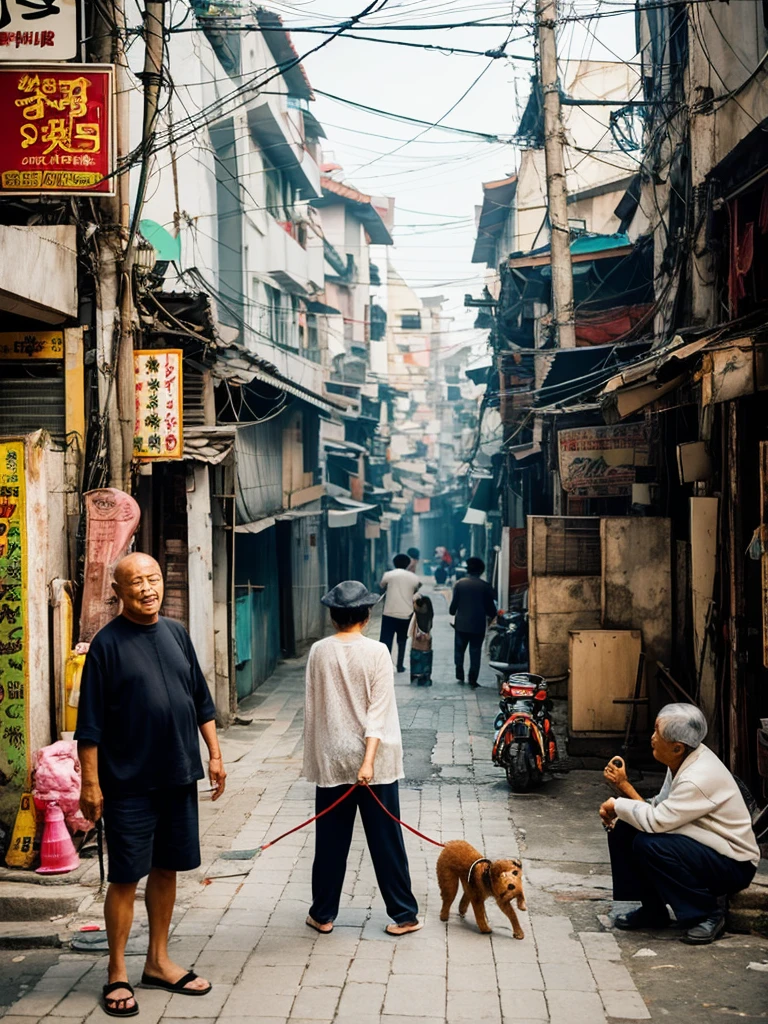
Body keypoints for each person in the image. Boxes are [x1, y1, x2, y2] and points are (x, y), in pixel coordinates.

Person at [76, 553, 226, 1017]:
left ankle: (158, 961)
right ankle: (117, 972)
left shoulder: (177, 633)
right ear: (118, 592)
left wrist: (215, 754)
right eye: (136, 582)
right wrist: (90, 784)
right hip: (128, 784)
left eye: (153, 579)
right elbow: (91, 724)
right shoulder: (107, 645)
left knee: (168, 868)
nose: (147, 588)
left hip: (179, 774)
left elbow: (199, 697)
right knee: (125, 876)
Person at [303, 580, 422, 936]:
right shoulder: (377, 652)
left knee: (330, 841)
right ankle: (404, 914)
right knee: (386, 839)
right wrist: (368, 761)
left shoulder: (319, 651)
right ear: (367, 615)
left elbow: (315, 709)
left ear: (333, 616)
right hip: (376, 765)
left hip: (333, 760)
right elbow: (379, 712)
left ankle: (322, 913)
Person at [600, 703, 759, 945]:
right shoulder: (681, 762)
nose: (652, 738)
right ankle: (653, 910)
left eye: (657, 733)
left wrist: (617, 803)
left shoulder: (696, 777)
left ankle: (708, 914)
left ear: (677, 747)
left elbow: (655, 821)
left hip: (734, 863)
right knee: (625, 827)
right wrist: (622, 805)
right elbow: (656, 811)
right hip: (704, 847)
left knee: (649, 844)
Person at [449, 556, 497, 689]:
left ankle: (459, 673)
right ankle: (472, 679)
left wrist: (454, 612)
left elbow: (452, 608)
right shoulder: (485, 586)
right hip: (478, 625)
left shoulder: (459, 584)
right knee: (475, 652)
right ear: (481, 571)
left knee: (459, 650)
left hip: (461, 625)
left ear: (468, 570)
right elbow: (491, 609)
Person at [379, 553, 421, 673]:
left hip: (389, 612)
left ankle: (384, 665)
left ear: (394, 563)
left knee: (386, 640)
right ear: (408, 564)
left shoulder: (388, 575)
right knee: (402, 640)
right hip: (406, 613)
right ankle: (400, 665)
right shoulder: (413, 577)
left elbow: (382, 586)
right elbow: (417, 588)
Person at [408, 594, 434, 687]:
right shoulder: (429, 612)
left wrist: (416, 598)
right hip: (426, 637)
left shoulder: (416, 611)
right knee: (426, 657)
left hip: (417, 638)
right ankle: (426, 676)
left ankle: (416, 675)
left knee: (416, 656)